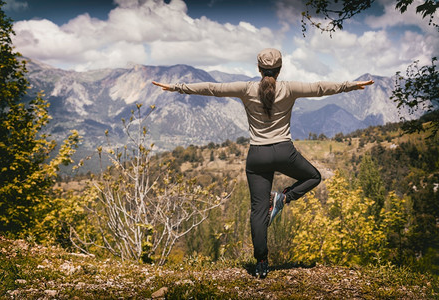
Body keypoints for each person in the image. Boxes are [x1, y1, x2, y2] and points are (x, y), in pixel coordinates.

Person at [152, 48, 374, 279]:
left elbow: (213, 89)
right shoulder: (289, 88)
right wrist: (350, 85)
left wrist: (177, 87)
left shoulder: (246, 89)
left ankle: (261, 264)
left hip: (257, 155)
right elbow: (320, 88)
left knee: (258, 211)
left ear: (258, 69)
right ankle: (284, 198)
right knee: (314, 176)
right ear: (280, 69)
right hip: (284, 152)